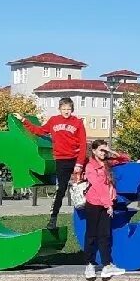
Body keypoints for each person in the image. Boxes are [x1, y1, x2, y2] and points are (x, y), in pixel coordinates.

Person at [17, 98, 88, 230]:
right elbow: (39, 131)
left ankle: (90, 215)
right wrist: (24, 121)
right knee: (60, 189)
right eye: (64, 109)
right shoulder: (53, 120)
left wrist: (79, 163)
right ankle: (53, 219)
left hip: (75, 159)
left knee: (83, 187)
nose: (66, 112)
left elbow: (83, 144)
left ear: (72, 110)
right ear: (60, 109)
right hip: (61, 160)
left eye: (68, 109)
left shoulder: (77, 123)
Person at [81, 139, 129, 280]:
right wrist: (108, 205)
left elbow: (125, 159)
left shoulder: (108, 162)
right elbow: (98, 187)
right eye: (101, 150)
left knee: (105, 235)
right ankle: (89, 264)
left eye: (105, 150)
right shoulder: (90, 166)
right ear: (94, 151)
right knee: (91, 235)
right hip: (95, 203)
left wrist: (112, 152)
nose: (103, 153)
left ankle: (107, 265)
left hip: (106, 203)